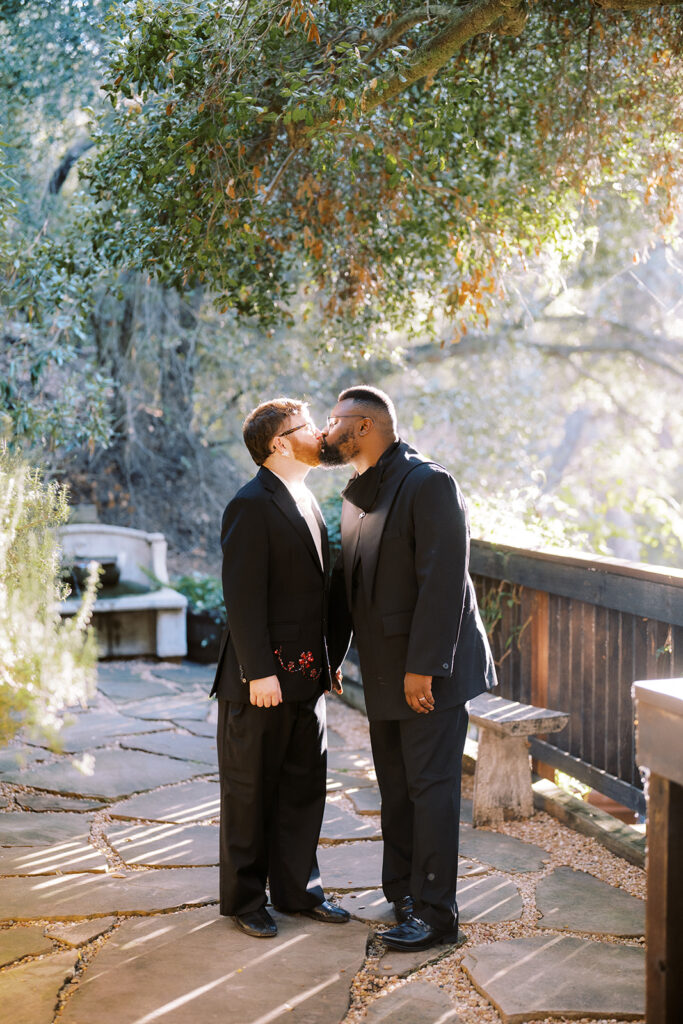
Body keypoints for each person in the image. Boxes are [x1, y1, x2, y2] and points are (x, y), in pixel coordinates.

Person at [322, 385, 496, 952]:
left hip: (429, 674)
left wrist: (424, 667)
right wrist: (333, 655)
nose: (326, 430)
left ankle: (437, 915)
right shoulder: (356, 495)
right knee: (396, 789)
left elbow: (444, 583)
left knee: (431, 790)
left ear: (365, 426)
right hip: (382, 672)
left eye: (335, 420)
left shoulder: (429, 483)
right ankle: (404, 894)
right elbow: (347, 588)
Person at [210, 397, 349, 938]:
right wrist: (259, 671)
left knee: (303, 787)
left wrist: (328, 661)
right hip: (260, 680)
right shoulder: (250, 504)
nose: (319, 434)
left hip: (306, 676)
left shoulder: (307, 498)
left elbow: (314, 594)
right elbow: (242, 595)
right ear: (279, 443)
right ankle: (246, 899)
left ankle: (298, 891)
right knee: (249, 790)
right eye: (307, 426)